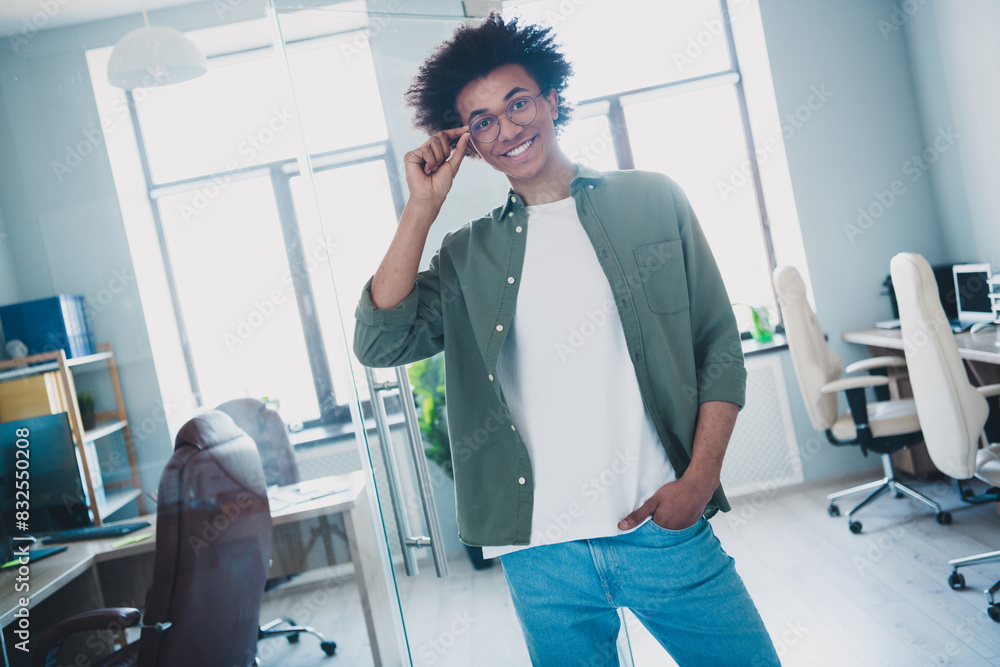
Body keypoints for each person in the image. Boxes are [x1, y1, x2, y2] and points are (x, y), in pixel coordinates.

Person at [353, 13, 779, 667]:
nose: (508, 127)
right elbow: (381, 341)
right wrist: (421, 207)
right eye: (483, 120)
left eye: (518, 101)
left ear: (552, 99)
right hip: (541, 554)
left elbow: (718, 344)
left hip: (663, 526)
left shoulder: (653, 200)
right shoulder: (469, 254)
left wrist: (699, 480)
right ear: (466, 141)